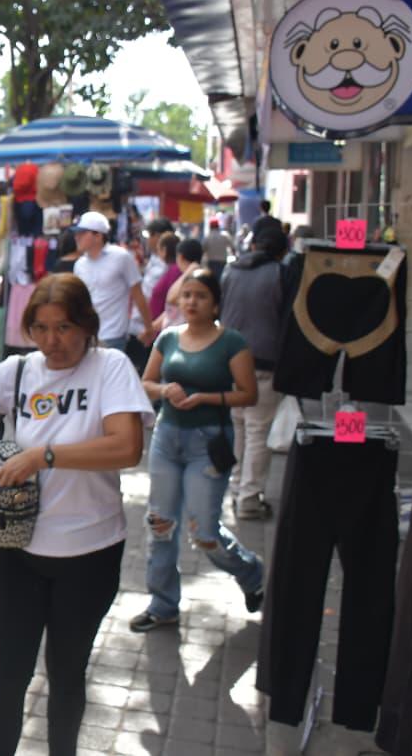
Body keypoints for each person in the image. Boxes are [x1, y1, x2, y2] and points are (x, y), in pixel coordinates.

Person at [0, 273, 151, 756]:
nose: (53, 342)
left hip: (90, 552)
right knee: (8, 672)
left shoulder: (111, 366)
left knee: (67, 673)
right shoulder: (17, 371)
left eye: (65, 328)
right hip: (21, 550)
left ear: (88, 326)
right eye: (41, 328)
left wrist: (43, 455)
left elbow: (127, 447)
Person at [131, 268, 265, 632]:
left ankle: (251, 574)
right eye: (187, 295)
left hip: (208, 443)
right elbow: (145, 382)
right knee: (160, 524)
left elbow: (248, 394)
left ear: (215, 303)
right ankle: (163, 605)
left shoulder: (231, 342)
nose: (191, 302)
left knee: (204, 533)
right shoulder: (168, 338)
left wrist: (206, 396)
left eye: (200, 296)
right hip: (166, 438)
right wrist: (164, 391)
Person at [221, 226, 288, 519]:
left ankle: (236, 488)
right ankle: (248, 498)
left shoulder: (231, 271)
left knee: (238, 427)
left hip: (229, 360)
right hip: (264, 361)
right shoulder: (281, 274)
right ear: (280, 250)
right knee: (257, 430)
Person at [72, 211, 154, 351]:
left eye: (82, 233)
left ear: (98, 235)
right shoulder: (79, 265)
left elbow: (138, 295)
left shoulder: (121, 257)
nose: (76, 237)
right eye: (76, 233)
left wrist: (149, 328)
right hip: (86, 335)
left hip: (114, 336)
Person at [161, 238, 204, 328]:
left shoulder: (193, 275)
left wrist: (192, 267)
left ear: (180, 257)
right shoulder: (190, 275)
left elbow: (171, 298)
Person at [147, 232, 181, 331]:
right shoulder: (171, 270)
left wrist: (153, 327)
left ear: (164, 250)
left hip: (164, 328)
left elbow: (173, 305)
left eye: (158, 250)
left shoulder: (175, 271)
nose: (157, 254)